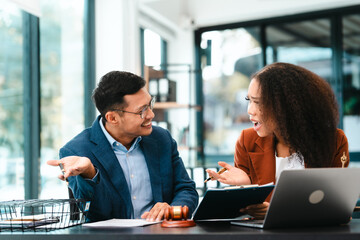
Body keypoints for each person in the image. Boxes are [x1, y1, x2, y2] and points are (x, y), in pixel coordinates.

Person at [47, 71, 198, 222]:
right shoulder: (77, 152)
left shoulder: (161, 139)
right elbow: (95, 215)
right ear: (112, 118)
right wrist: (90, 173)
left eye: (150, 104)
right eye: (142, 111)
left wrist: (173, 210)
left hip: (160, 234)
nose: (151, 114)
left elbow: (186, 190)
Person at [206, 62, 349, 219]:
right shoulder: (247, 141)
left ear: (287, 105)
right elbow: (243, 215)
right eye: (249, 100)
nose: (249, 110)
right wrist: (246, 185)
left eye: (258, 102)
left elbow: (338, 209)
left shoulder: (334, 140)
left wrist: (279, 211)